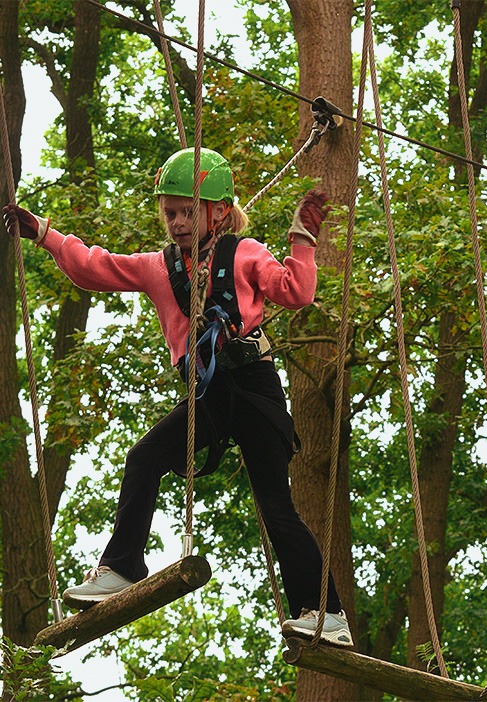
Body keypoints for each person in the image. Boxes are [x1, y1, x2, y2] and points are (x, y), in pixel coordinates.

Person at [3, 147, 352, 647]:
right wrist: (44, 234)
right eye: (171, 212)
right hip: (209, 395)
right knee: (143, 458)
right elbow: (95, 267)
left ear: (222, 212)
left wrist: (302, 239)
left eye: (190, 211)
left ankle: (326, 615)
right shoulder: (158, 267)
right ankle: (122, 567)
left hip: (253, 386)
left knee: (277, 505)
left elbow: (295, 291)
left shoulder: (245, 252)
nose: (179, 222)